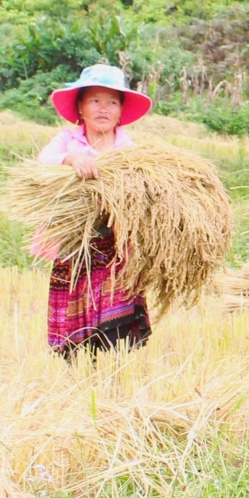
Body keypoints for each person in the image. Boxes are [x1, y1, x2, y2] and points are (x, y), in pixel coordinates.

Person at [35, 64, 154, 359]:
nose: (104, 108)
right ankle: (79, 377)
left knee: (118, 325)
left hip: (117, 247)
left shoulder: (130, 150)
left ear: (120, 111)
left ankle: (116, 377)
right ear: (80, 107)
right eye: (95, 101)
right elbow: (41, 163)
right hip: (75, 247)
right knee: (77, 327)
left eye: (112, 102)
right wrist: (71, 158)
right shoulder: (66, 141)